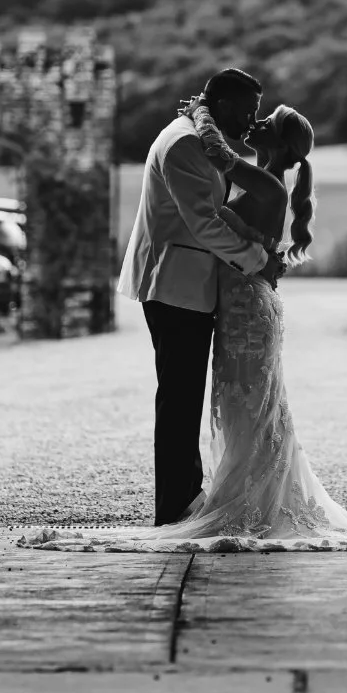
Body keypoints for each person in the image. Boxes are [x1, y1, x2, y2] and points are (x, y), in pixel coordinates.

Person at [17, 92, 347, 554]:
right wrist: (204, 118)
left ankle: (247, 500)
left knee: (246, 405)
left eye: (267, 118)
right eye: (256, 112)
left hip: (245, 305)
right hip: (238, 301)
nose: (258, 121)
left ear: (281, 143)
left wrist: (205, 118)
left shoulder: (267, 185)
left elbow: (211, 208)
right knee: (241, 403)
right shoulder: (263, 178)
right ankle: (238, 495)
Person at [114, 67, 286, 526]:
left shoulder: (202, 140)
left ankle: (184, 497)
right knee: (179, 397)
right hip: (174, 286)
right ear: (223, 104)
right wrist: (257, 260)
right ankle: (174, 507)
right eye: (247, 111)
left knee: (184, 394)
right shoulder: (186, 144)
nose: (252, 121)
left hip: (189, 286)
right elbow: (204, 223)